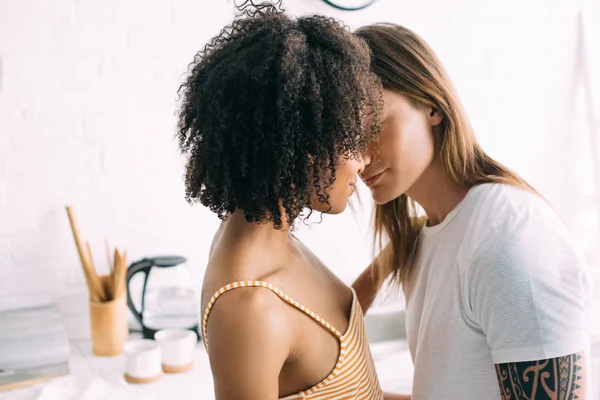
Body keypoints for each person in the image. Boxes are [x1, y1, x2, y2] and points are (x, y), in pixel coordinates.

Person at [352, 23, 593, 400]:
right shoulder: (424, 238)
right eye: (347, 139)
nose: (360, 157)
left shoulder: (508, 238)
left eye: (374, 128)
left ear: (431, 105)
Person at [177, 2, 405, 399]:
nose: (365, 159)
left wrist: (388, 261)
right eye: (351, 140)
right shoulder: (250, 309)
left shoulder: (270, 235)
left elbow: (337, 367)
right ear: (300, 146)